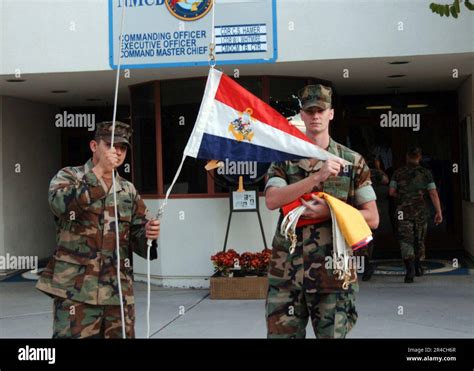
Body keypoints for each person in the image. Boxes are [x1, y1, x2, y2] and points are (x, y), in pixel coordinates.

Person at [265, 84, 379, 338]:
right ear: (302, 116)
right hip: (286, 276)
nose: (315, 115)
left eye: (321, 110)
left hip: (333, 277)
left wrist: (330, 212)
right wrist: (317, 176)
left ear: (331, 113)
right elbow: (272, 200)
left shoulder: (352, 161)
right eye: (310, 111)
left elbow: (372, 218)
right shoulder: (284, 159)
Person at [36, 121, 160, 338]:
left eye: (122, 148)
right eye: (111, 146)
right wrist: (100, 171)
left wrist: (149, 233)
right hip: (76, 291)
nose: (117, 152)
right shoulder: (69, 177)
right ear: (94, 146)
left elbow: (137, 235)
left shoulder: (127, 189)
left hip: (117, 292)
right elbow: (60, 205)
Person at [389, 147, 442, 283]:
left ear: (407, 157)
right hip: (420, 211)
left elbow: (391, 192)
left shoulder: (398, 173)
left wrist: (403, 195)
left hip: (403, 211)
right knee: (419, 239)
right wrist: (438, 211)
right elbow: (433, 193)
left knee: (406, 240)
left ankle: (410, 270)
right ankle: (418, 266)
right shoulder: (426, 173)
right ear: (419, 157)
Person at [357, 155, 390, 281]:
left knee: (363, 241)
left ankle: (366, 265)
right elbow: (386, 180)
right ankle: (367, 265)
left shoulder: (360, 171)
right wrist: (378, 168)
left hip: (364, 210)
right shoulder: (374, 172)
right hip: (371, 209)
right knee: (367, 240)